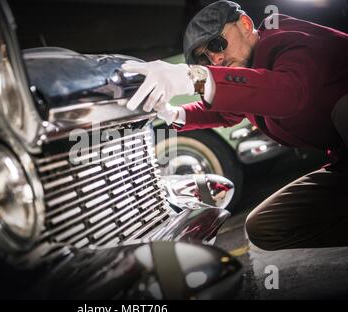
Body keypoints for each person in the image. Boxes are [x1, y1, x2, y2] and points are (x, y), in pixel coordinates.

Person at [122, 1, 348, 251]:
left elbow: (289, 92)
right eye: (204, 59)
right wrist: (173, 113)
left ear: (245, 24)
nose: (216, 58)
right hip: (342, 163)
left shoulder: (290, 39)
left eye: (217, 44)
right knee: (265, 227)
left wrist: (194, 78)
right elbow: (229, 111)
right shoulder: (252, 70)